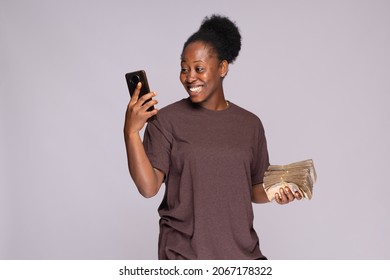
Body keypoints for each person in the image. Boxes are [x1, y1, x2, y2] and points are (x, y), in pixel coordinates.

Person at [124, 14, 302, 260]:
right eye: (184, 69)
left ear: (222, 68)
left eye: (199, 69)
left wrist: (278, 192)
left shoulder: (250, 124)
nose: (189, 77)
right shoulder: (166, 121)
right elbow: (148, 187)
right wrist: (131, 132)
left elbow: (252, 189)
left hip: (242, 257)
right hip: (185, 257)